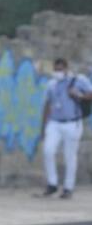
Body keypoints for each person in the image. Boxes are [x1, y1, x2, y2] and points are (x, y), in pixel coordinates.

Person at [39, 58, 92, 199]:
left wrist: (79, 94)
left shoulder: (78, 80)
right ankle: (52, 184)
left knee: (70, 156)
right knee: (48, 150)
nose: (58, 72)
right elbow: (47, 104)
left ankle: (68, 187)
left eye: (60, 69)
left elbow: (90, 94)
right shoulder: (52, 84)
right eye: (56, 70)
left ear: (66, 68)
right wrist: (43, 127)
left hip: (72, 123)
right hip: (54, 123)